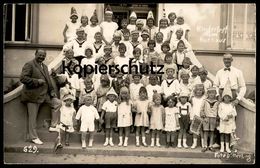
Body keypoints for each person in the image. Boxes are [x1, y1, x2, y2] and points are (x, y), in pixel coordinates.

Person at [20, 49, 62, 145]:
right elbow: (23, 78)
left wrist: (51, 91)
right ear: (35, 54)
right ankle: (33, 137)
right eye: (40, 55)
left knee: (57, 103)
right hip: (32, 96)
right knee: (32, 118)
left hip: (44, 95)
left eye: (43, 55)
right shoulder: (29, 64)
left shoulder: (45, 66)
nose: (41, 57)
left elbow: (48, 80)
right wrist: (37, 81)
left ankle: (53, 125)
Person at [217, 80, 237, 153]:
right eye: (225, 97)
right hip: (223, 121)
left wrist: (230, 115)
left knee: (227, 134)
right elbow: (219, 113)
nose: (227, 98)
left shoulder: (231, 105)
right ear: (223, 97)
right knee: (222, 133)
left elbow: (234, 113)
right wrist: (223, 118)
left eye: (228, 97)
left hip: (229, 122)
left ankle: (227, 147)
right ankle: (222, 147)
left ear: (230, 98)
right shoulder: (221, 104)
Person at [200, 87, 219, 152]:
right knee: (206, 131)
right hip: (206, 118)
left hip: (213, 118)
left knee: (212, 132)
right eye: (210, 93)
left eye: (213, 93)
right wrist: (204, 116)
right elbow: (201, 110)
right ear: (207, 93)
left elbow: (218, 111)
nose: (211, 94)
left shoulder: (217, 102)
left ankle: (211, 145)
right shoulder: (205, 101)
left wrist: (217, 119)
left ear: (215, 94)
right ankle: (205, 145)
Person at [190, 84, 206, 149]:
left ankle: (203, 143)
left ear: (203, 91)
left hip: (202, 116)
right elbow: (192, 108)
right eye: (197, 90)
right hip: (195, 116)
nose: (199, 91)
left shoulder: (204, 98)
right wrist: (191, 117)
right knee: (194, 131)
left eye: (200, 90)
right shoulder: (193, 99)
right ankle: (194, 143)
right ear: (195, 91)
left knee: (202, 130)